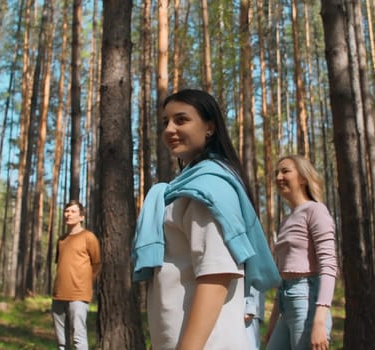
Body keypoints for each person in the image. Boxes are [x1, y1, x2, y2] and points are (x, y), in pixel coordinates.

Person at [132, 89, 280, 350]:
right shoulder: (187, 187)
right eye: (165, 121)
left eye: (181, 119)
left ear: (210, 127)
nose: (169, 129)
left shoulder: (207, 190)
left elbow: (217, 274)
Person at [265, 155, 338, 350]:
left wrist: (320, 320)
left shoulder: (315, 211)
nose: (279, 177)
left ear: (303, 178)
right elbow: (284, 276)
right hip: (286, 302)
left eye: (285, 171)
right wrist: (273, 322)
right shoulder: (288, 220)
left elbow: (329, 265)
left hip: (307, 301)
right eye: (276, 173)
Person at [51, 200, 101, 350]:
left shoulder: (89, 237)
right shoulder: (61, 240)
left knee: (78, 338)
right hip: (58, 295)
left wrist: (86, 284)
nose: (69, 214)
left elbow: (97, 264)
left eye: (73, 212)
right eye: (67, 211)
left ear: (81, 217)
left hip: (79, 295)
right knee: (61, 342)